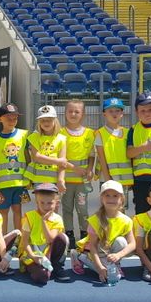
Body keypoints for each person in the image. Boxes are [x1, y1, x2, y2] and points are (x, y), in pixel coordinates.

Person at [71, 180, 136, 283]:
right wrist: (100, 268)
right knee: (105, 273)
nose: (111, 199)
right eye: (107, 195)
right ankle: (79, 256)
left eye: (115, 196)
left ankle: (115, 265)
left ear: (122, 199)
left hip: (110, 251)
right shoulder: (95, 220)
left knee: (121, 241)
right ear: (102, 198)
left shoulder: (126, 220)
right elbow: (93, 246)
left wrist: (118, 255)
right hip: (95, 252)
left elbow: (132, 244)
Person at [60, 100, 95, 249]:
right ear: (65, 113)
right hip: (66, 181)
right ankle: (69, 236)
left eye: (77, 111)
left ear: (83, 114)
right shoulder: (60, 133)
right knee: (67, 209)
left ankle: (84, 235)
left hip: (82, 182)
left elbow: (92, 154)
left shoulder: (89, 133)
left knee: (83, 209)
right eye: (70, 111)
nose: (73, 114)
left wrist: (90, 168)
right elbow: (59, 157)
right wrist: (73, 168)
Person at [0, 103, 29, 233]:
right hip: (2, 184)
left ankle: (18, 239)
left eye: (15, 118)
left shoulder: (24, 135)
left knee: (18, 210)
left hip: (20, 183)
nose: (12, 121)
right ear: (0, 119)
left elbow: (27, 157)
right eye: (8, 118)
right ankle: (3, 240)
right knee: (3, 212)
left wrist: (30, 178)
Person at [20, 183, 70, 284]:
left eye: (50, 203)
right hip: (32, 255)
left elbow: (50, 239)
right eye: (42, 203)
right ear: (37, 202)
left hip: (47, 254)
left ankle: (57, 267)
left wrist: (43, 222)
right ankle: (27, 265)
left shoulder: (57, 219)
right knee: (42, 277)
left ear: (57, 203)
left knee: (62, 238)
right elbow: (24, 241)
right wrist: (33, 257)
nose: (45, 206)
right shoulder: (29, 217)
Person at [95, 98, 133, 204]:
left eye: (117, 111)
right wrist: (108, 179)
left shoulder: (127, 132)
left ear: (122, 113)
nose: (114, 114)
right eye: (110, 111)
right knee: (108, 208)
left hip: (124, 179)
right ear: (104, 114)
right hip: (107, 178)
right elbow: (101, 158)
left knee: (121, 207)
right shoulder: (100, 133)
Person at [24, 105, 67, 193]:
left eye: (49, 120)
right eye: (43, 120)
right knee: (41, 204)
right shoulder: (34, 137)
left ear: (55, 121)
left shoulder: (61, 139)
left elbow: (63, 163)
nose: (46, 123)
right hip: (38, 179)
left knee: (52, 205)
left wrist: (60, 180)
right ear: (39, 122)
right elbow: (36, 157)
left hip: (54, 180)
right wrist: (57, 161)